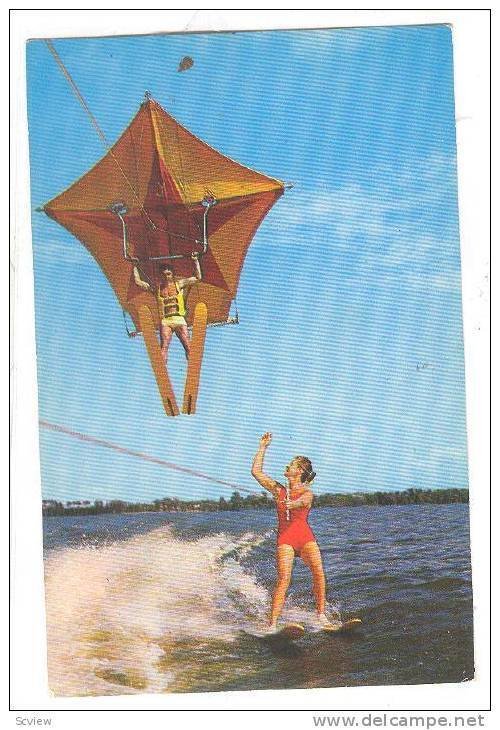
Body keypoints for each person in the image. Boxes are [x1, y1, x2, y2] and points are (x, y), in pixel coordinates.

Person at [251, 432, 336, 631]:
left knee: (318, 573)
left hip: (305, 538)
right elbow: (256, 472)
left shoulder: (306, 492)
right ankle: (271, 625)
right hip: (286, 540)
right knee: (283, 579)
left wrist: (293, 503)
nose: (287, 467)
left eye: (291, 465)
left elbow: (305, 501)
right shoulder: (278, 490)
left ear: (299, 472)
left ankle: (321, 616)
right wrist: (263, 447)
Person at [133, 252, 202, 364]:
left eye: (168, 274)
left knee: (188, 344)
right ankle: (162, 368)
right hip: (166, 321)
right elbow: (138, 282)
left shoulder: (179, 284)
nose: (166, 276)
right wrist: (135, 266)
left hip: (179, 319)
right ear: (161, 275)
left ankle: (192, 365)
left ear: (172, 274)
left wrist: (195, 260)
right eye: (164, 274)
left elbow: (198, 278)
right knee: (164, 346)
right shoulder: (157, 288)